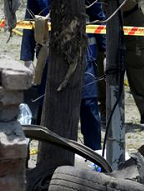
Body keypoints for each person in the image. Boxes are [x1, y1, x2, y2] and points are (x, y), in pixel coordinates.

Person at [20, 0, 105, 150]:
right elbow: (30, 21)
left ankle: (95, 157)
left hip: (82, 56)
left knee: (88, 108)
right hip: (50, 59)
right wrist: (27, 58)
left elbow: (99, 17)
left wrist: (106, 52)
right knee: (48, 110)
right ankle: (49, 154)